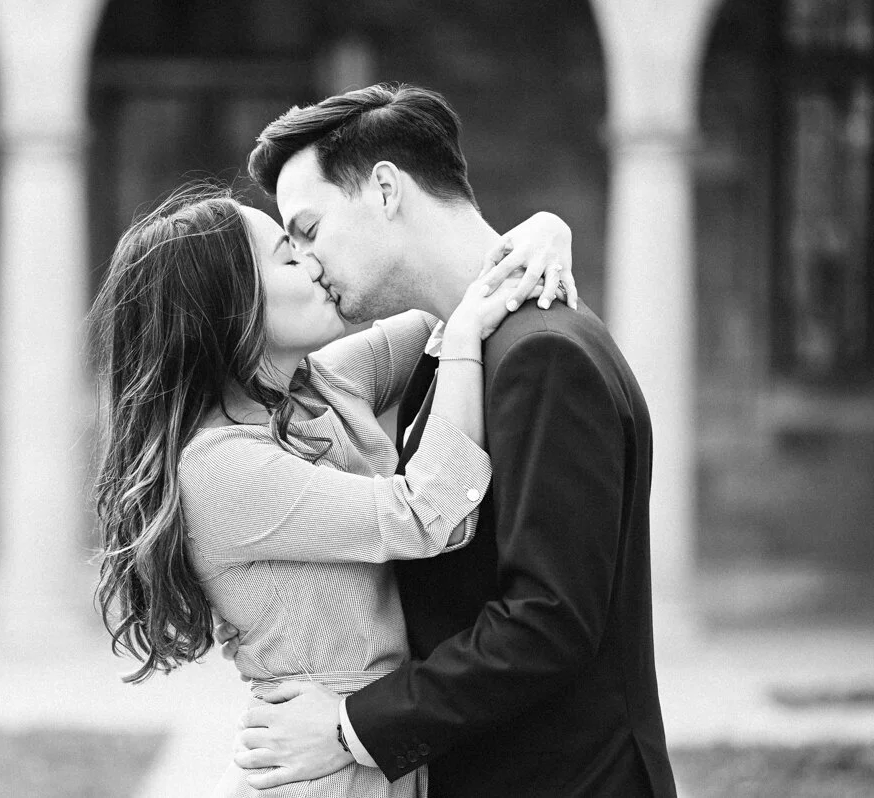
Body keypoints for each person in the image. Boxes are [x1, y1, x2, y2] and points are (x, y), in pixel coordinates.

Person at [222, 83, 678, 797]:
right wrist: (542, 226)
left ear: (385, 190)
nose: (306, 263)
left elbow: (548, 623)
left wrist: (348, 728)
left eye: (308, 229)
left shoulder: (541, 354)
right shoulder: (452, 347)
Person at [90, 180, 577, 796]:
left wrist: (545, 230)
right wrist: (459, 344)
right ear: (231, 308)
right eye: (288, 257)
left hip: (371, 753)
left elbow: (452, 290)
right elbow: (431, 514)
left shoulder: (320, 386)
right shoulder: (220, 468)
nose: (314, 262)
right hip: (313, 773)